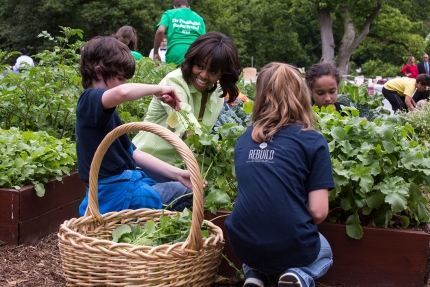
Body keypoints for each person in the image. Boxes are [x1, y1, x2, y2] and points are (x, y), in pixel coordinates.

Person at [224, 62, 335, 287]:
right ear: (302, 94)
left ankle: (255, 275)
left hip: (242, 240)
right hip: (292, 241)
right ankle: (298, 276)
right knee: (325, 253)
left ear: (260, 95)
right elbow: (318, 211)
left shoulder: (245, 140)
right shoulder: (312, 140)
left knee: (259, 244)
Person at [76, 36, 196, 216]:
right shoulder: (89, 101)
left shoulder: (106, 114)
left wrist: (179, 174)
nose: (123, 84)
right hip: (116, 197)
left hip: (126, 189)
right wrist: (158, 89)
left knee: (182, 186)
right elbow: (122, 93)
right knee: (189, 194)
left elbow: (134, 153)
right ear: (99, 72)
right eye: (120, 78)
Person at [132, 32, 241, 166]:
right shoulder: (175, 81)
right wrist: (224, 153)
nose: (204, 75)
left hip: (181, 169)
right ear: (192, 60)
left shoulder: (217, 93)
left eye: (213, 71)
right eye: (200, 66)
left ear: (223, 73)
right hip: (145, 162)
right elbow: (190, 134)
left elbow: (198, 143)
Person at [153, 0, 206, 66]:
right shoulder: (199, 19)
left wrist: (155, 53)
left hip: (175, 53)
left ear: (174, 7)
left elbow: (160, 31)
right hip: (194, 54)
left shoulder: (169, 13)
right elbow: (204, 40)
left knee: (173, 76)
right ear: (189, 7)